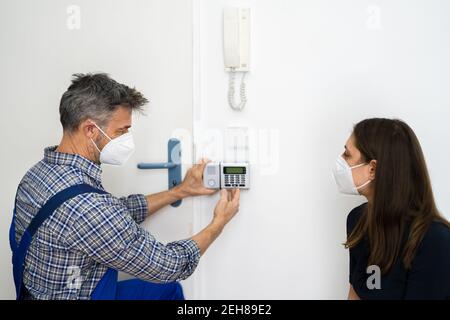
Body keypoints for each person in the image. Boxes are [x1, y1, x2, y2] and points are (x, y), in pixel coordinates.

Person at [10, 73, 240, 300]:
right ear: (90, 130)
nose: (127, 138)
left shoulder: (37, 175)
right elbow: (168, 265)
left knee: (166, 292)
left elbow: (114, 213)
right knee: (169, 286)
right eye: (121, 131)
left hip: (42, 292)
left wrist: (180, 191)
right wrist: (218, 223)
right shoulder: (90, 208)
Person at [332, 118, 450, 300]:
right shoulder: (357, 219)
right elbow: (356, 292)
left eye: (347, 155)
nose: (340, 161)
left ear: (372, 169)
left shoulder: (435, 241)